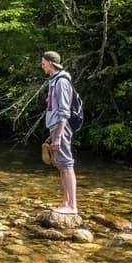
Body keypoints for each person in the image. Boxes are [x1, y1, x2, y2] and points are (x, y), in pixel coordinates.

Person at [42, 50, 78, 214]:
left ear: (50, 63)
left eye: (43, 62)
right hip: (55, 127)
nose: (42, 65)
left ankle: (72, 206)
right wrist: (52, 135)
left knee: (67, 165)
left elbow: (64, 112)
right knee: (61, 166)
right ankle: (65, 202)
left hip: (60, 128)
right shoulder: (54, 81)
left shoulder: (61, 82)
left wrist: (58, 136)